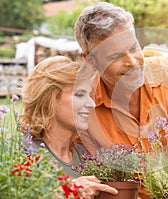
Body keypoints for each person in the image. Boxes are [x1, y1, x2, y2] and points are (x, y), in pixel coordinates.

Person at [74, 2, 168, 198]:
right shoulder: (81, 105)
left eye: (134, 47)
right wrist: (68, 185)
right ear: (91, 61)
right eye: (116, 56)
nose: (132, 62)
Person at [20, 56, 118, 198]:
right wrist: (67, 191)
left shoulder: (84, 156)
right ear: (49, 99)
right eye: (79, 94)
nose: (91, 104)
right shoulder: (22, 150)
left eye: (90, 95)